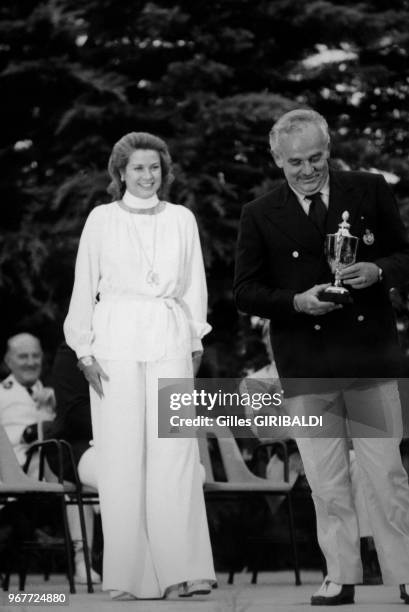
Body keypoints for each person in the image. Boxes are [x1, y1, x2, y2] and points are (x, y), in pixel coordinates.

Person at [234, 108, 409, 605]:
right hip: (307, 366)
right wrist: (295, 302)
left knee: (386, 475)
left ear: (329, 148)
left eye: (316, 158)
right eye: (295, 163)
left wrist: (378, 271)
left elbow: (405, 256)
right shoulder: (259, 214)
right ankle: (340, 574)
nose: (308, 170)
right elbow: (246, 291)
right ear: (277, 160)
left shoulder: (369, 189)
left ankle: (406, 573)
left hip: (370, 360)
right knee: (326, 481)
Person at [64, 131, 216, 600]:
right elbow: (84, 285)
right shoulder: (101, 219)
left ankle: (181, 572)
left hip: (169, 336)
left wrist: (193, 339)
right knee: (123, 459)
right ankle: (130, 576)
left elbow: (194, 285)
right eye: (137, 168)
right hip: (114, 343)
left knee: (175, 458)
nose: (147, 176)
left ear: (164, 172)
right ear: (120, 173)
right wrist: (83, 350)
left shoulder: (181, 219)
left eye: (154, 168)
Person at [0, 333, 99, 584]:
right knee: (76, 479)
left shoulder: (53, 393)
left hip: (52, 467)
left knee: (82, 486)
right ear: (8, 361)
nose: (30, 362)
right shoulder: (2, 394)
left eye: (35, 355)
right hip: (15, 471)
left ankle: (82, 562)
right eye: (23, 356)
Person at [46, 342, 101, 584]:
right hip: (76, 446)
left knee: (191, 474)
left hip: (129, 442)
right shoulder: (70, 352)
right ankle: (85, 559)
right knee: (122, 478)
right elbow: (75, 415)